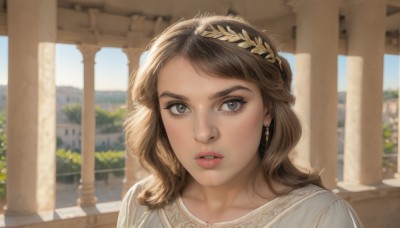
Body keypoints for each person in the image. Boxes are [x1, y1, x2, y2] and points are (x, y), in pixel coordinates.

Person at [117, 15, 363, 227]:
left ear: (268, 109)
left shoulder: (323, 218)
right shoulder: (140, 203)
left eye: (230, 104)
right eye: (179, 107)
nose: (204, 133)